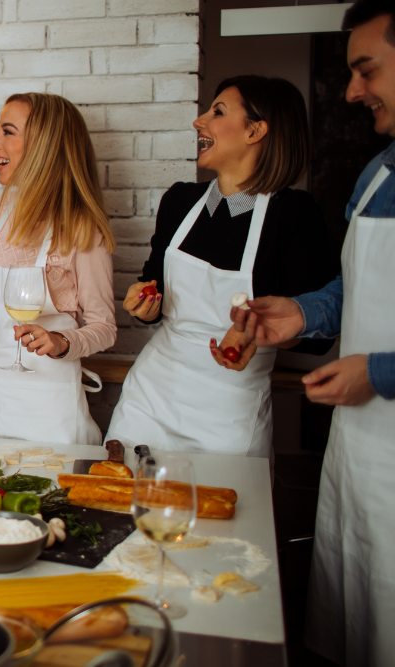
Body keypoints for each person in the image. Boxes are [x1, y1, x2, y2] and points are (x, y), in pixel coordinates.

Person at [241, 3, 395, 662]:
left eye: (367, 70)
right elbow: (359, 284)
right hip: (359, 453)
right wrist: (309, 311)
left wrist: (381, 372)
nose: (353, 91)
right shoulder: (379, 171)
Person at [105, 75, 339, 457]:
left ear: (256, 130)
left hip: (230, 411)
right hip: (151, 396)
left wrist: (263, 331)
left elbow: (319, 336)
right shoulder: (180, 201)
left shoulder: (295, 215)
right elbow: (154, 286)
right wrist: (143, 302)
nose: (199, 121)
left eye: (217, 112)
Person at [0, 93, 115, 444]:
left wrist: (60, 341)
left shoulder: (81, 228)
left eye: (8, 132)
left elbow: (104, 327)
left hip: (47, 412)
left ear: (45, 145)